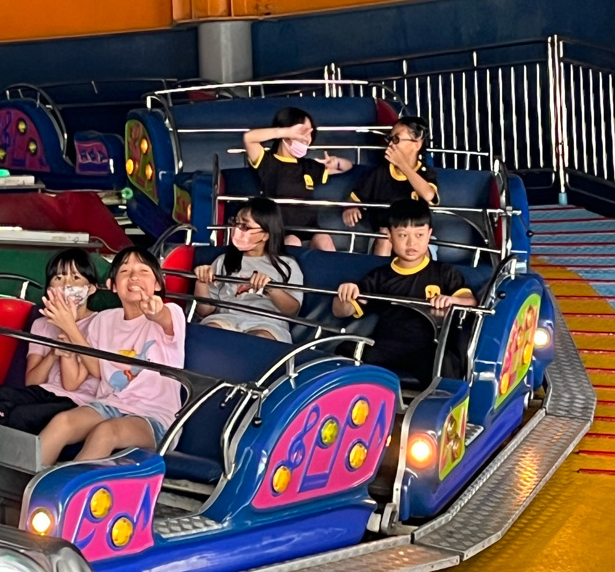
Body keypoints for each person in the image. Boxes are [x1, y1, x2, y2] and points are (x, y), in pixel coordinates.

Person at [38, 246, 186, 465]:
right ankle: (28, 483)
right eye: (125, 271)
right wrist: (69, 327)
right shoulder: (103, 320)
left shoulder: (172, 313)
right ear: (112, 285)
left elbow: (162, 316)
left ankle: (66, 486)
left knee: (106, 432)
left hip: (155, 417)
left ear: (157, 284)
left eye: (143, 271)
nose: (134, 276)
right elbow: (97, 369)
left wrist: (156, 311)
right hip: (109, 404)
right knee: (62, 422)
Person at [332, 199, 476, 388]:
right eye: (402, 235)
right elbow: (340, 311)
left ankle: (446, 403)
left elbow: (470, 301)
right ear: (389, 236)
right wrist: (346, 295)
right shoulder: (379, 277)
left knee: (447, 362)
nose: (411, 242)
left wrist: (452, 300)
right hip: (386, 347)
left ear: (429, 235)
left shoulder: (444, 273)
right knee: (344, 351)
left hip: (426, 349)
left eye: (419, 235)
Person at [0, 247, 101, 434]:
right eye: (58, 278)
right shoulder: (41, 324)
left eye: (75, 278)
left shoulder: (99, 322)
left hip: (78, 401)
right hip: (44, 392)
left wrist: (66, 326)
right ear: (50, 289)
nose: (66, 284)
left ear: (91, 288)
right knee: (1, 395)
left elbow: (71, 384)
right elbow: (32, 381)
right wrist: (52, 354)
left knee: (21, 416)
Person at [194, 197, 304, 343]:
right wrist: (201, 282)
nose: (237, 230)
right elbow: (204, 311)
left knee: (258, 340)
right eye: (236, 223)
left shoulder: (287, 265)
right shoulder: (223, 261)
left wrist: (271, 288)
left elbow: (292, 310)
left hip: (268, 324)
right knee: (208, 334)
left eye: (245, 226)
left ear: (265, 234)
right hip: (225, 319)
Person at [243, 105, 350, 250]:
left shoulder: (309, 166)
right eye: (303, 131)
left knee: (324, 239)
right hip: (279, 231)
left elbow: (347, 167)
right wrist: (285, 132)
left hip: (309, 229)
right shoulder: (267, 161)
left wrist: (336, 161)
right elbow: (248, 138)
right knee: (292, 241)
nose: (307, 138)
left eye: (310, 133)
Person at [342, 116, 439, 256]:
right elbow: (354, 199)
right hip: (387, 235)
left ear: (417, 144)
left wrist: (402, 165)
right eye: (390, 139)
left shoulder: (425, 173)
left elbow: (429, 195)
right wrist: (350, 208)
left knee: (419, 241)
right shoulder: (379, 173)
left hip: (417, 234)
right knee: (384, 236)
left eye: (396, 139)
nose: (391, 145)